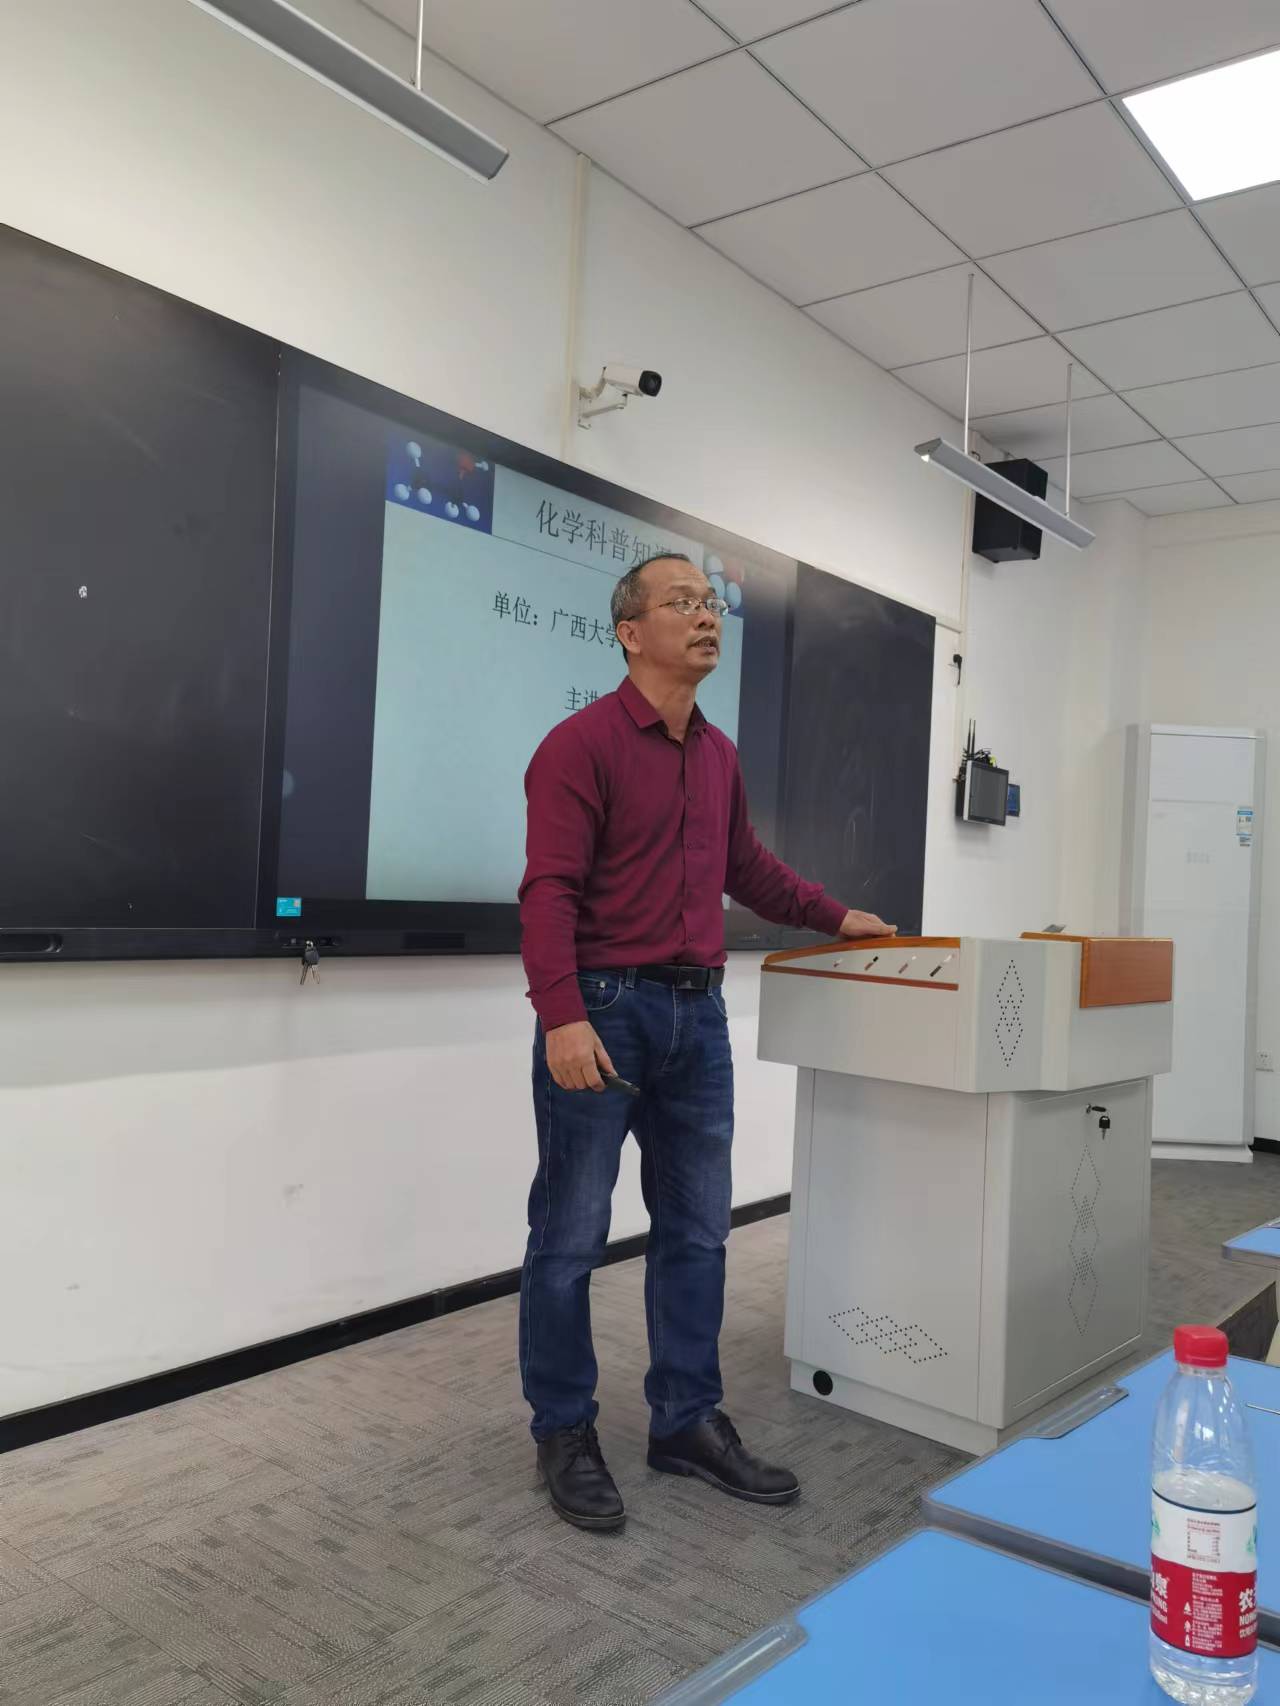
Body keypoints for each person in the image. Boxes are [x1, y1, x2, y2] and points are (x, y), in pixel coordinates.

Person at [517, 553, 894, 1531]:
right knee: (570, 1235)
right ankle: (563, 1429)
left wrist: (832, 914)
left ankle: (684, 1420)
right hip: (602, 1011)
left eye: (710, 601)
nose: (706, 615)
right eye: (680, 601)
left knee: (697, 1231)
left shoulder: (716, 754)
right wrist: (560, 1013)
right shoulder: (579, 746)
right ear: (629, 632)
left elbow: (746, 868)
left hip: (698, 1015)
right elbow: (548, 890)